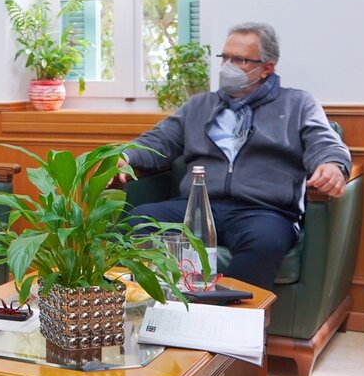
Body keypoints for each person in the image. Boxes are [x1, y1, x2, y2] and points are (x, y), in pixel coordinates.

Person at [123, 22, 351, 291]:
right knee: (137, 221)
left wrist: (332, 165)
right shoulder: (199, 105)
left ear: (267, 68)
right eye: (225, 58)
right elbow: (158, 141)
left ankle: (230, 315)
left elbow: (324, 142)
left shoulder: (298, 104)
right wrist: (124, 157)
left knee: (264, 242)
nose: (227, 67)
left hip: (264, 211)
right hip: (197, 207)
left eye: (240, 60)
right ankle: (154, 305)